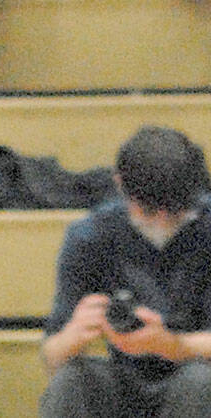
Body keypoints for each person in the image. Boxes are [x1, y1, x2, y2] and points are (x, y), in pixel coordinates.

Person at [42, 125, 211, 417]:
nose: (161, 219)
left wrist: (175, 346)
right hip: (122, 381)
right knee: (71, 381)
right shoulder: (90, 235)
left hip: (197, 376)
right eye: (149, 210)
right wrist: (73, 335)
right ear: (120, 184)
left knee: (200, 382)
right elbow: (52, 355)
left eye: (174, 211)